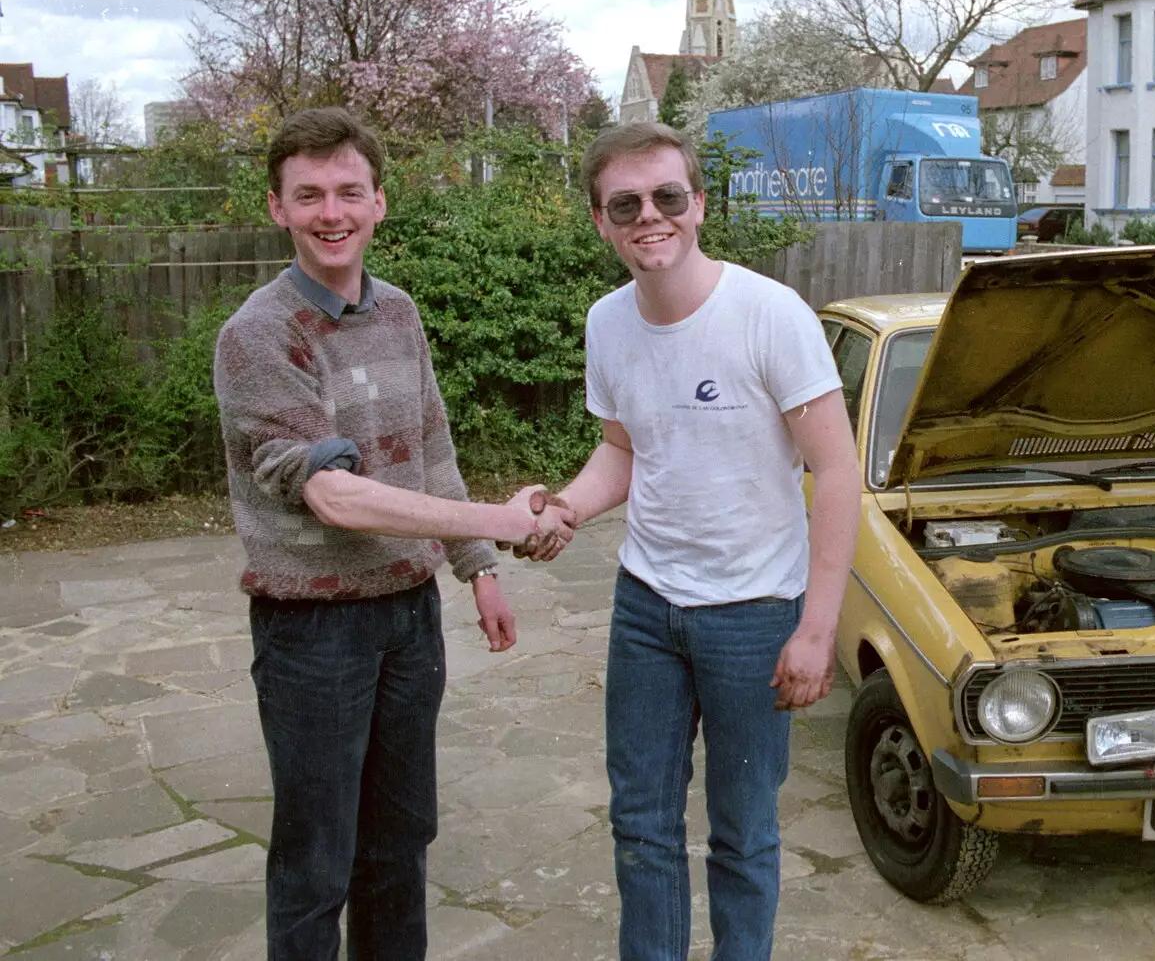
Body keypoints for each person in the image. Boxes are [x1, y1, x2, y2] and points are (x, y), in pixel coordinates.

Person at [211, 106, 574, 960]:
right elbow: (335, 497)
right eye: (309, 195)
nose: (330, 212)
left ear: (380, 201)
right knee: (315, 863)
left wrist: (479, 568)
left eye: (348, 191)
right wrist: (504, 523)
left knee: (399, 846)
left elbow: (431, 445)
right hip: (314, 635)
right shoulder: (258, 335)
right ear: (277, 207)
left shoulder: (400, 311)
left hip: (408, 623)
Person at [533, 121, 860, 960]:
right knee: (640, 825)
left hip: (754, 612)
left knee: (743, 833)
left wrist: (816, 628)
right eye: (626, 203)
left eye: (668, 196)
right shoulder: (607, 324)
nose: (651, 216)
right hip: (646, 607)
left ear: (700, 205)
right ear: (600, 220)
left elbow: (837, 470)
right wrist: (567, 507)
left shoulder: (769, 316)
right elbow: (624, 450)